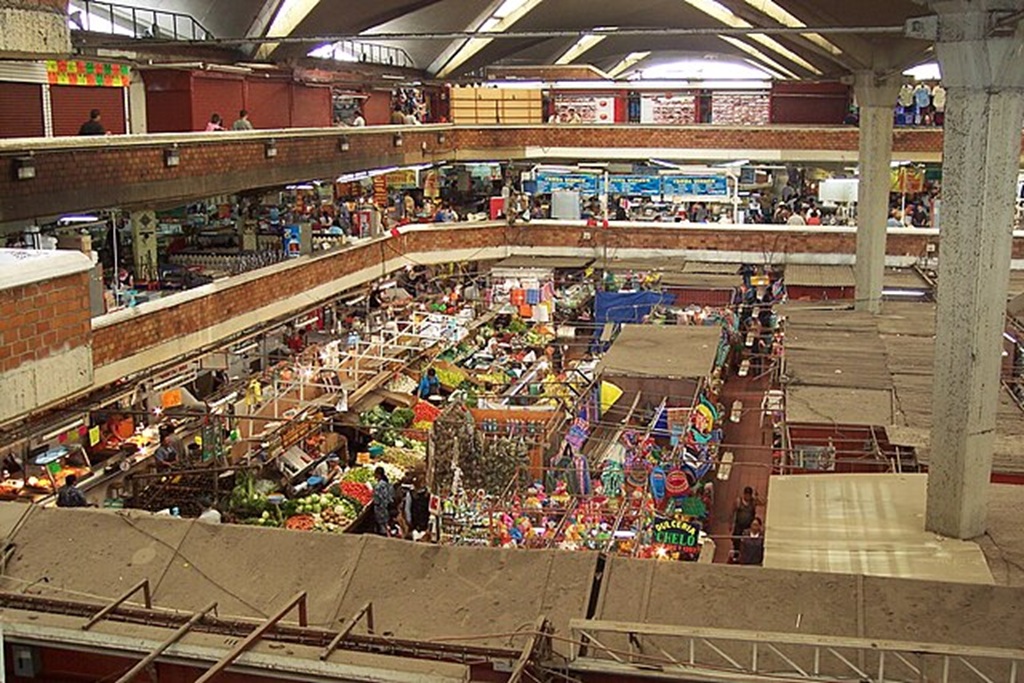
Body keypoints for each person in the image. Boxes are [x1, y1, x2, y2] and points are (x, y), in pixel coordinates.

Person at [731, 486, 763, 553]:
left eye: (749, 495)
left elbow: (763, 502)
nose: (748, 496)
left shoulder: (753, 502)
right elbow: (733, 512)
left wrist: (757, 497)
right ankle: (736, 553)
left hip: (748, 526)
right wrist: (731, 524)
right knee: (736, 540)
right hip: (739, 526)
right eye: (746, 494)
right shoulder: (738, 501)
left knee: (747, 541)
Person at [372, 466, 394, 536]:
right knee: (386, 524)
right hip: (387, 508)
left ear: (378, 475)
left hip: (380, 509)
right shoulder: (388, 484)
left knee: (382, 526)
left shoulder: (378, 486)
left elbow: (377, 500)